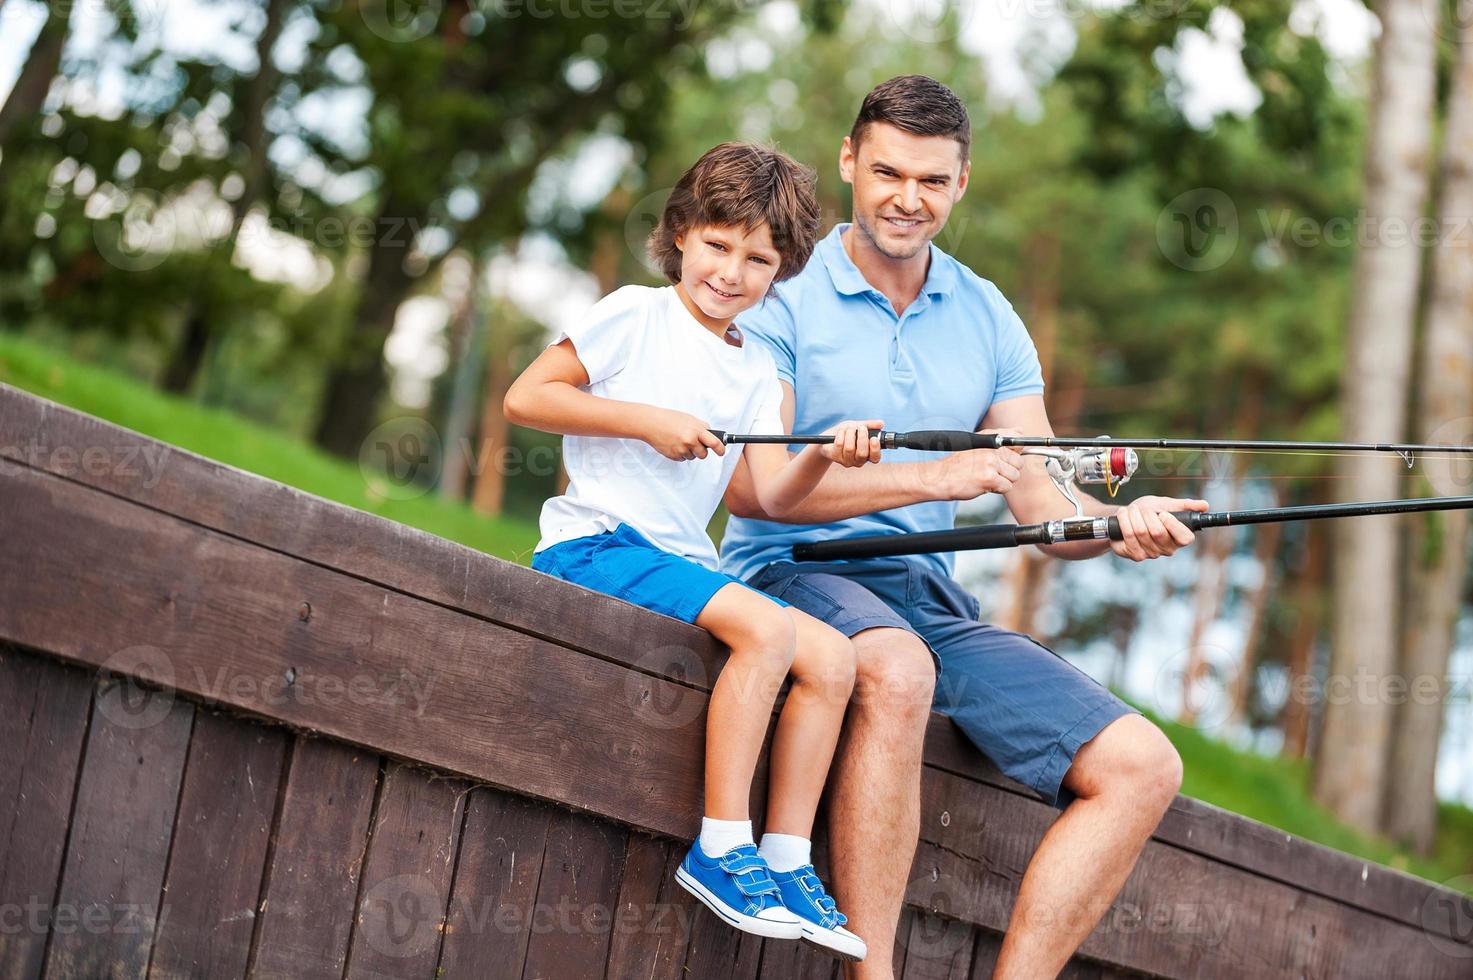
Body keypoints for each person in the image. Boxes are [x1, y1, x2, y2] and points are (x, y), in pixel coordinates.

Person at [718, 76, 1207, 979]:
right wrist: (937, 475)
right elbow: (755, 494)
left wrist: (1119, 526)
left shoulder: (987, 315)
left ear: (962, 182)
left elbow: (1041, 503)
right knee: (897, 670)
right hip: (791, 571)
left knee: (1142, 766)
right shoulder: (781, 297)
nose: (908, 199)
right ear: (849, 164)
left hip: (928, 596)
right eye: (888, 173)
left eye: (932, 181)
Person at [504, 141, 876, 961]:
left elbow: (770, 496)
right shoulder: (635, 314)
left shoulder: (758, 373)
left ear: (780, 273)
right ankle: (719, 845)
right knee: (770, 632)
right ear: (680, 233)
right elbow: (527, 396)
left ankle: (782, 859)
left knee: (836, 662)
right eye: (717, 245)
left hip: (679, 564)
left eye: (757, 259)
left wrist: (825, 452)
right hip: (595, 543)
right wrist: (645, 418)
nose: (730, 272)